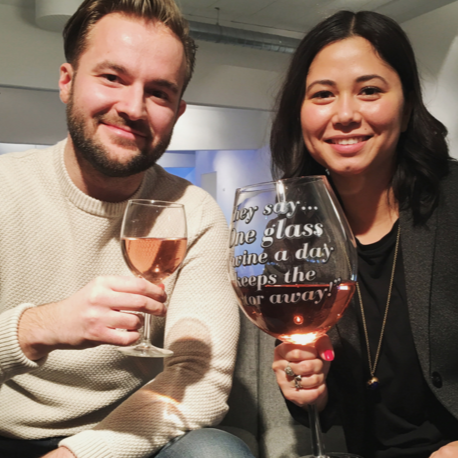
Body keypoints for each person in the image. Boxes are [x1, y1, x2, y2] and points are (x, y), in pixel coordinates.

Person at [0, 1, 255, 458]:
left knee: (217, 453)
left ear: (178, 110)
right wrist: (38, 327)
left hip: (131, 434)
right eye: (112, 78)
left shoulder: (193, 212)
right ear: (67, 81)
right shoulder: (5, 188)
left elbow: (201, 375)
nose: (133, 108)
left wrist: (80, 454)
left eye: (159, 92)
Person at [270, 10, 458, 458]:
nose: (346, 114)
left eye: (369, 90)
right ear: (299, 113)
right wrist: (308, 389)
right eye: (322, 95)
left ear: (408, 106)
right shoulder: (292, 237)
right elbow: (325, 402)